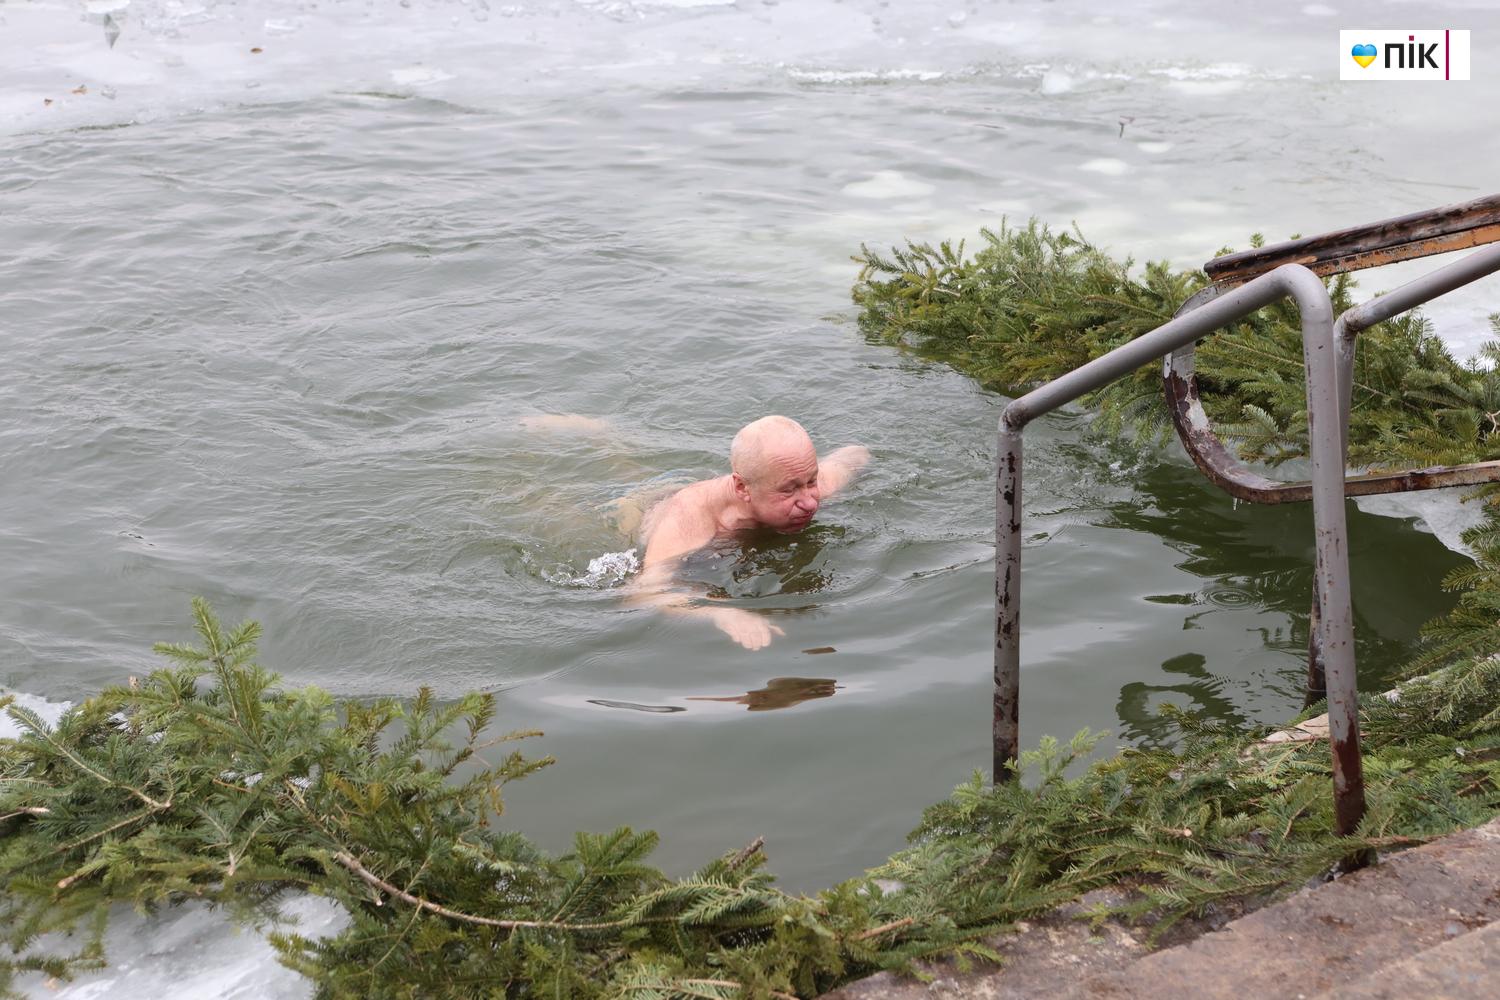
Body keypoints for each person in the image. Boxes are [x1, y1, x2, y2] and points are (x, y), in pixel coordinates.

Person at [626, 415, 870, 649]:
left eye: (811, 481)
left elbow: (856, 454)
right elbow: (648, 592)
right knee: (625, 466)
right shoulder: (689, 518)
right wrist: (723, 613)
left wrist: (810, 481)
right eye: (789, 490)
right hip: (645, 505)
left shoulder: (803, 478)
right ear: (742, 487)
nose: (810, 502)